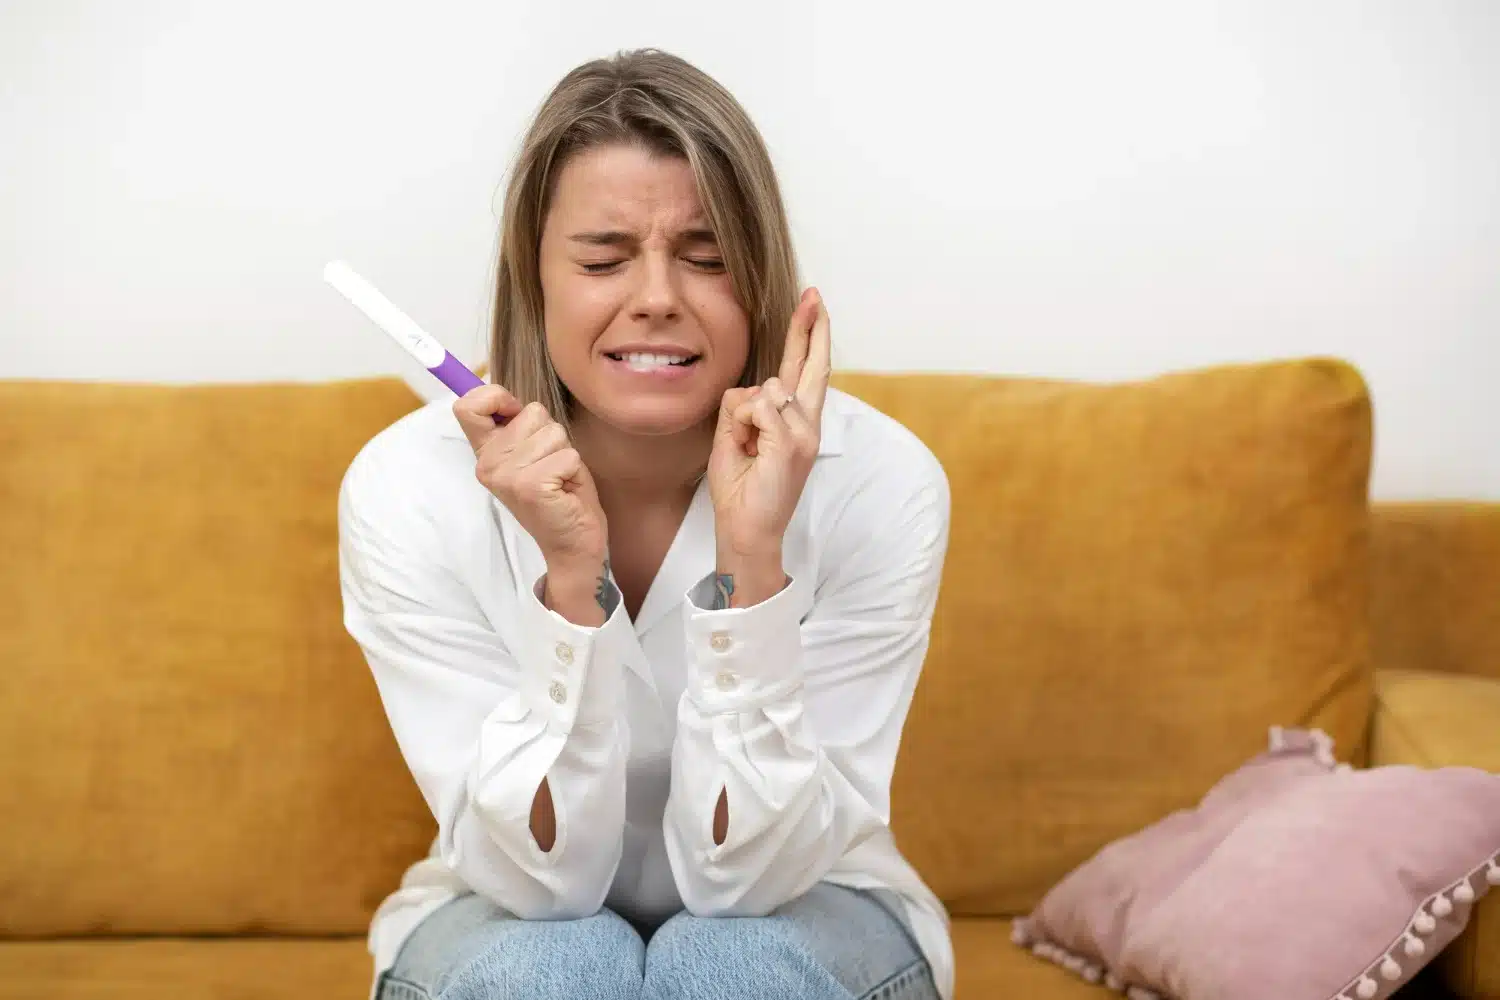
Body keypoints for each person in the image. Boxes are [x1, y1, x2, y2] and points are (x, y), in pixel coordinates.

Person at [338, 48, 953, 1000]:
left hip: (812, 906)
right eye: (603, 258)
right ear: (533, 279)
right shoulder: (406, 487)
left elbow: (744, 887)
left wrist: (754, 567)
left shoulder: (880, 482)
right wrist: (571, 588)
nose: (659, 297)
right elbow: (542, 891)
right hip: (505, 919)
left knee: (730, 965)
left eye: (707, 259)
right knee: (558, 967)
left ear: (762, 280)